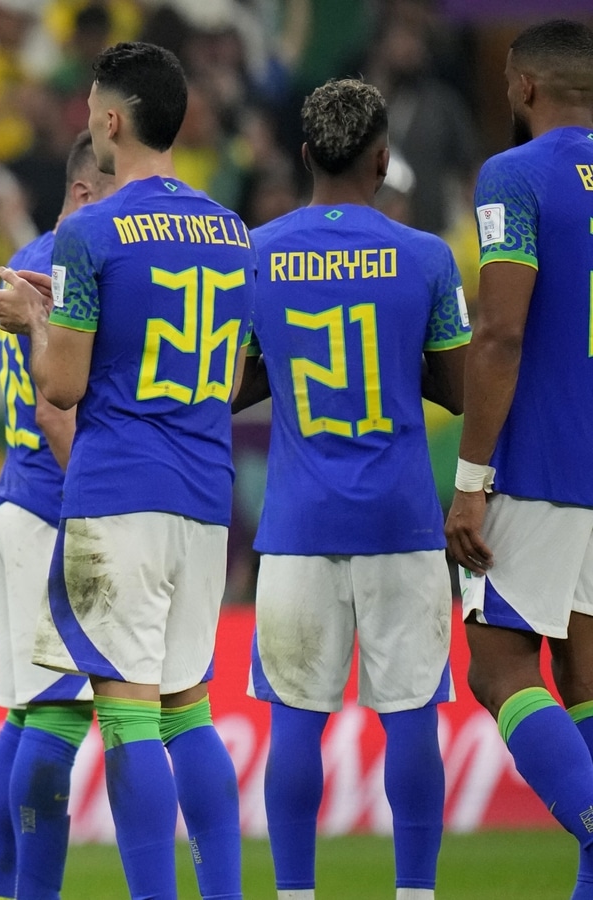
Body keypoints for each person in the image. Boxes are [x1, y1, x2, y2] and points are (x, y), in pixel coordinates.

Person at [0, 41, 252, 900]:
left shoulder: (87, 232)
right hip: (207, 495)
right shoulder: (231, 229)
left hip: (118, 494)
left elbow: (59, 385)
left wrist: (33, 318)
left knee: (124, 718)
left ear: (110, 119)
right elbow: (242, 376)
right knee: (189, 709)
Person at [236, 78, 469, 900]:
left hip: (297, 521)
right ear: (381, 159)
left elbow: (233, 387)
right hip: (402, 520)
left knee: (294, 719)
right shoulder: (429, 256)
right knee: (410, 716)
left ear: (304, 157)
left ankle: (295, 893)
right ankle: (415, 894)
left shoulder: (255, 253)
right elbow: (460, 388)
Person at [444, 19, 593, 898]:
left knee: (499, 668)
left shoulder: (515, 175)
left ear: (527, 87)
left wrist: (469, 483)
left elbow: (498, 333)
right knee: (581, 673)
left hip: (541, 464)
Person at [0, 132, 110, 900]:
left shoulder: (26, 257)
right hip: (49, 506)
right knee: (54, 723)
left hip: (16, 501)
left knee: (29, 719)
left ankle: (2, 890)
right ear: (88, 192)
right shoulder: (76, 266)